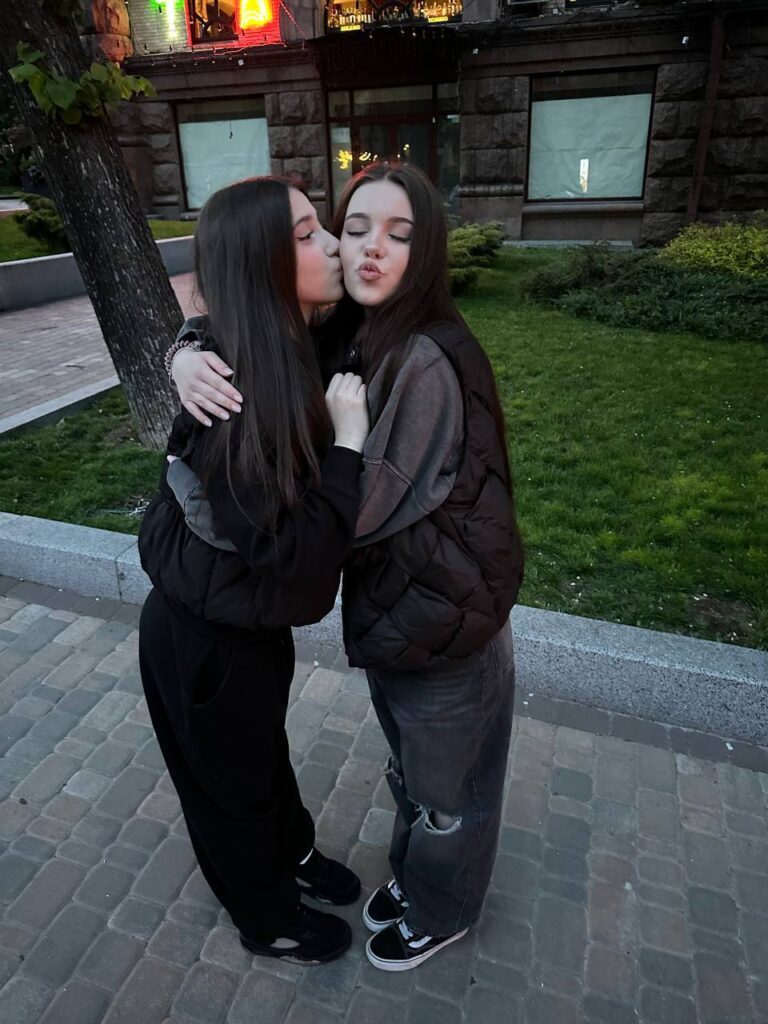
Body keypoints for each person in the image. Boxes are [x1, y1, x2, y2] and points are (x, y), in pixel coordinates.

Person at [167, 163, 525, 972]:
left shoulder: (424, 357)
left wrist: (247, 500)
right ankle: (420, 878)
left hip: (446, 624)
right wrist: (185, 352)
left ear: (426, 253)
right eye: (352, 228)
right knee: (416, 774)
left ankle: (443, 907)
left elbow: (346, 520)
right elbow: (246, 313)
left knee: (450, 795)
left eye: (398, 236)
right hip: (398, 615)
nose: (365, 249)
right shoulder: (360, 327)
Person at [137, 177, 371, 966]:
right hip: (204, 643)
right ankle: (266, 917)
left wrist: (180, 350)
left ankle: (293, 854)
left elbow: (209, 322)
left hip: (246, 623)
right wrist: (346, 447)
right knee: (228, 792)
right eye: (307, 236)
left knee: (262, 754)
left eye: (321, 226)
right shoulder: (234, 406)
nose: (334, 245)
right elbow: (297, 558)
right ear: (262, 265)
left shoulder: (290, 334)